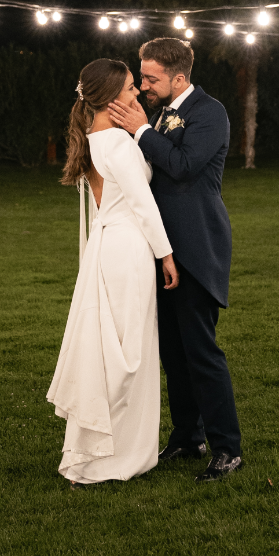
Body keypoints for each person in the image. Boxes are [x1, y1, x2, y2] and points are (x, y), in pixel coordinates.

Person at [104, 37, 243, 482]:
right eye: (142, 77)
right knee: (173, 353)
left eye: (150, 78)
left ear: (179, 78)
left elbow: (183, 167)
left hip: (196, 246)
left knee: (201, 352)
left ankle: (227, 448)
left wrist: (141, 131)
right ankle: (187, 435)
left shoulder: (209, 113)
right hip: (159, 250)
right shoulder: (160, 112)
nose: (142, 84)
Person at [46, 58, 179, 486]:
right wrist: (166, 255)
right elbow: (143, 203)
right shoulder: (119, 146)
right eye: (128, 90)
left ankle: (103, 450)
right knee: (131, 353)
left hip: (107, 249)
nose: (136, 93)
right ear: (107, 98)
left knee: (112, 350)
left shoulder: (93, 139)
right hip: (129, 251)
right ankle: (119, 457)